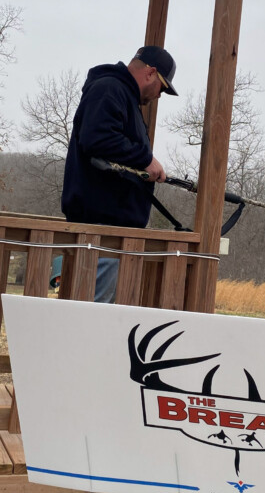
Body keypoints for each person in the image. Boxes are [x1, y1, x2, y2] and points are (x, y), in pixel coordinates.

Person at [61, 45, 178, 302]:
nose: (160, 95)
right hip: (101, 232)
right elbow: (98, 138)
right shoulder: (109, 89)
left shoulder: (121, 95)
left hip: (111, 233)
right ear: (151, 73)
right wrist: (145, 160)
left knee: (97, 311)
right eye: (162, 88)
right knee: (93, 312)